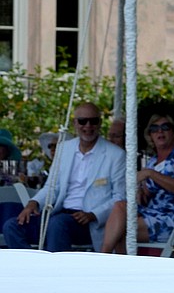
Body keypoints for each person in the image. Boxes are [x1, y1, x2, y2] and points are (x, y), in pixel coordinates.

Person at [2, 103, 125, 251]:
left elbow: (120, 198)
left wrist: (93, 214)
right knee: (12, 226)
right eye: (82, 121)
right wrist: (33, 202)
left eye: (93, 121)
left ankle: (55, 267)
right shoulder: (64, 148)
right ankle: (33, 265)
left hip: (89, 222)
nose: (88, 126)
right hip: (58, 214)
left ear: (100, 123)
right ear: (74, 123)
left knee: (57, 224)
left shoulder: (115, 155)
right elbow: (52, 186)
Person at [101, 110, 174, 253]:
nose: (160, 131)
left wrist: (150, 174)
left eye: (165, 127)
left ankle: (104, 257)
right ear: (150, 135)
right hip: (153, 213)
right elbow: (147, 197)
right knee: (120, 206)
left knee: (121, 230)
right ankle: (106, 256)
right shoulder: (153, 161)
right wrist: (140, 192)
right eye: (154, 129)